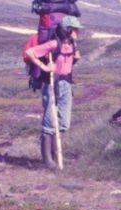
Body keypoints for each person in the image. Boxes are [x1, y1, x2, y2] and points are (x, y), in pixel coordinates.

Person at [25, 15, 81, 170]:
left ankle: (56, 156)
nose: (78, 32)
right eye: (75, 29)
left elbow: (67, 62)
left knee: (64, 122)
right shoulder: (54, 43)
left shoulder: (72, 44)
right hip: (51, 83)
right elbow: (30, 53)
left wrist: (75, 59)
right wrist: (44, 67)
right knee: (50, 121)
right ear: (67, 30)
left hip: (66, 84)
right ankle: (49, 161)